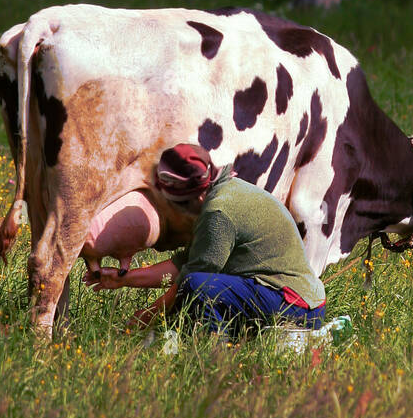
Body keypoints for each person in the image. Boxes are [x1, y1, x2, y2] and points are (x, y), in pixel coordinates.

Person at [87, 143, 327, 338]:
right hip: (294, 299)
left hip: (294, 304)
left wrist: (144, 318)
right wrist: (124, 280)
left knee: (196, 289)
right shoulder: (227, 192)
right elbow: (185, 265)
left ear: (195, 195)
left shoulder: (218, 213)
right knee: (194, 289)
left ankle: (214, 354)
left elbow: (188, 283)